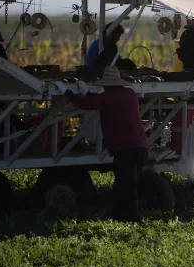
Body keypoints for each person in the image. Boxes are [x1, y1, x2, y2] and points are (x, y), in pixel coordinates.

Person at [57, 66, 148, 222]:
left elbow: (86, 104)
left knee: (126, 186)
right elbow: (99, 101)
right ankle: (119, 216)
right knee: (125, 184)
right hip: (140, 147)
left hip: (125, 149)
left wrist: (66, 91)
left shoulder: (108, 98)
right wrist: (86, 93)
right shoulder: (130, 94)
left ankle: (132, 219)